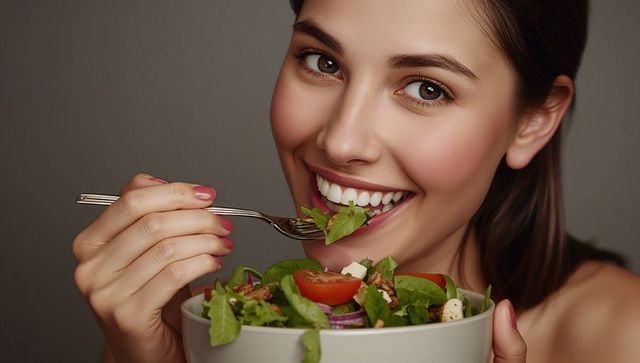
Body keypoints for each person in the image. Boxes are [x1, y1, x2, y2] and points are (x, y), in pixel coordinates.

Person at [72, 0, 640, 362]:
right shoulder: (210, 335)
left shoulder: (620, 338)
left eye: (426, 88)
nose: (341, 142)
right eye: (323, 61)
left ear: (533, 119)